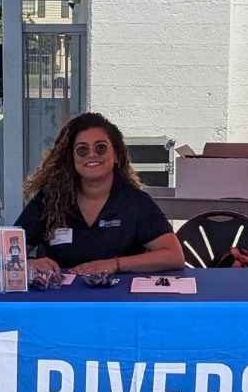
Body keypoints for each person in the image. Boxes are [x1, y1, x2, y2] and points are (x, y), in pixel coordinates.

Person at [15, 112, 185, 278]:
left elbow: (174, 256)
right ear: (71, 158)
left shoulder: (135, 202)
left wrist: (115, 264)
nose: (92, 154)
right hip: (61, 300)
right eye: (82, 150)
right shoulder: (50, 199)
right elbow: (8, 250)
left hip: (119, 300)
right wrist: (29, 263)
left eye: (101, 147)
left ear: (117, 155)